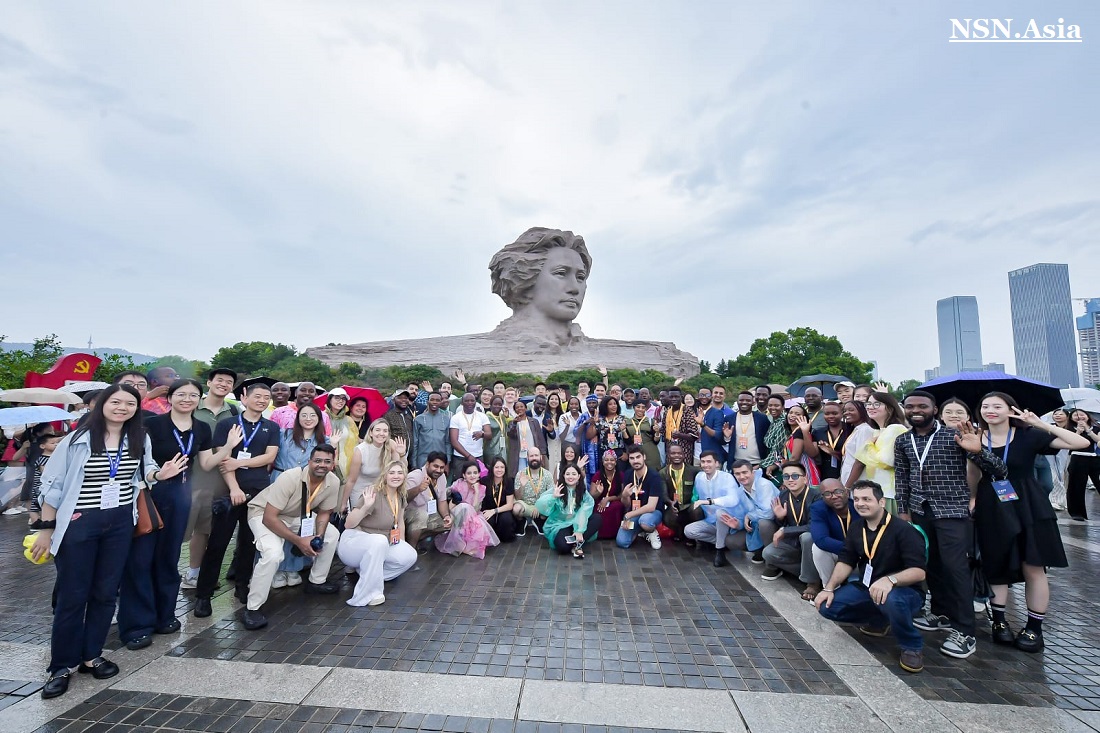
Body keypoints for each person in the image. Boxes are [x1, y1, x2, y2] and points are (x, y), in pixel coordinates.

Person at [30, 384, 185, 699]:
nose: (122, 407)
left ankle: (91, 655)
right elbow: (53, 485)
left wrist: (160, 474)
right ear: (101, 405)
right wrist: (46, 530)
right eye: (116, 401)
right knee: (73, 596)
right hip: (79, 522)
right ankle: (61, 666)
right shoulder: (76, 439)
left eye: (130, 403)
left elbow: (144, 472)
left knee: (104, 593)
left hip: (118, 523)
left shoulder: (139, 438)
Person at [118, 379, 239, 650]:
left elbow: (206, 462)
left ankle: (164, 615)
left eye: (193, 395)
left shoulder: (201, 428)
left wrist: (229, 446)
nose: (187, 399)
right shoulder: (151, 425)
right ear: (169, 398)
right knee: (140, 560)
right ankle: (136, 625)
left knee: (169, 558)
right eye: (181, 394)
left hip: (181, 495)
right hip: (150, 494)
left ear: (199, 399)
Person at [969, 392, 1087, 653]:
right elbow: (974, 473)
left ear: (1010, 409)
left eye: (997, 406)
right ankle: (999, 622)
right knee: (995, 563)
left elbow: (1079, 443)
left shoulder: (1029, 435)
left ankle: (1034, 628)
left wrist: (1041, 424)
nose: (990, 410)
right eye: (985, 406)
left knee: (1034, 565)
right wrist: (973, 497)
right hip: (992, 504)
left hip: (1028, 504)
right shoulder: (976, 437)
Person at [895, 390, 1002, 660]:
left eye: (922, 406)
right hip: (920, 510)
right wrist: (904, 511)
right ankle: (941, 613)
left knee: (956, 568)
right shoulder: (903, 440)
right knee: (932, 564)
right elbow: (902, 476)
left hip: (951, 510)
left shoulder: (954, 434)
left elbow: (999, 470)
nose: (916, 410)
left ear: (935, 409)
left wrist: (977, 452)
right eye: (910, 406)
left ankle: (965, 631)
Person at [815, 480, 928, 674]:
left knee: (891, 600)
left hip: (904, 591)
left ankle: (912, 645)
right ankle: (880, 620)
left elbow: (919, 572)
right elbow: (846, 560)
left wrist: (890, 580)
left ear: (881, 502)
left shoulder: (904, 530)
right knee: (828, 607)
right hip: (868, 586)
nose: (860, 504)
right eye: (857, 499)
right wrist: (829, 588)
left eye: (867, 499)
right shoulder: (857, 527)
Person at [193, 383, 280, 619]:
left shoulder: (271, 426)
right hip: (227, 491)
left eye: (266, 397)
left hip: (260, 491)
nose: (262, 400)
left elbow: (269, 457)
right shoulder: (227, 425)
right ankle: (203, 594)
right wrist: (233, 488)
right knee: (218, 542)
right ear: (244, 397)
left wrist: (239, 463)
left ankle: (242, 584)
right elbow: (224, 459)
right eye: (257, 396)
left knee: (249, 542)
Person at [243, 445, 341, 629]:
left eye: (327, 462)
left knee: (332, 534)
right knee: (273, 554)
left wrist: (317, 537)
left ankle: (317, 581)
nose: (322, 465)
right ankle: (252, 608)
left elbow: (324, 513)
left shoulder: (333, 482)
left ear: (333, 464)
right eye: (318, 460)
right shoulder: (291, 477)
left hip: (297, 515)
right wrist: (299, 541)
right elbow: (269, 518)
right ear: (309, 462)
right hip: (263, 513)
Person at [181, 368, 240, 590]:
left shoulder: (233, 412)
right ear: (209, 382)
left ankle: (201, 573)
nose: (223, 384)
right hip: (193, 475)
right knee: (191, 527)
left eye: (228, 382)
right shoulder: (193, 407)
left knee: (209, 528)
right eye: (219, 380)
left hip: (222, 476)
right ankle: (187, 572)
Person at [338, 461, 419, 607]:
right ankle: (368, 594)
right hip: (354, 541)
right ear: (385, 475)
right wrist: (365, 507)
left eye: (400, 473)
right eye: (392, 472)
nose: (396, 476)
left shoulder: (400, 496)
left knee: (409, 555)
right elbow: (348, 524)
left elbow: (399, 521)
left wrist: (400, 544)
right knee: (379, 541)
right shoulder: (373, 493)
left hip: (381, 543)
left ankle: (369, 575)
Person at [761, 461, 822, 600]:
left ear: (805, 478)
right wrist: (780, 518)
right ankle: (806, 571)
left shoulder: (816, 496)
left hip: (812, 543)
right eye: (786, 476)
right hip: (792, 543)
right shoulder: (783, 495)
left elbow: (815, 526)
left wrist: (785, 530)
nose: (790, 480)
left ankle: (813, 582)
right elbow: (781, 523)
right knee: (768, 553)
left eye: (795, 476)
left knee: (807, 536)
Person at [853, 393, 909, 514]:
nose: (870, 407)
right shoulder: (878, 432)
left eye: (876, 404)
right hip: (876, 493)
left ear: (890, 408)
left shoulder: (895, 429)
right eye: (868, 404)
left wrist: (868, 446)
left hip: (890, 494)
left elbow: (886, 461)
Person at [683, 451, 740, 566]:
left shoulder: (727, 477)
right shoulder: (699, 477)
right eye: (703, 462)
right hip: (710, 521)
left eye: (709, 461)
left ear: (717, 464)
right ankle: (724, 542)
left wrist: (711, 501)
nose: (705, 465)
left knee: (720, 513)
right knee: (689, 531)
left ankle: (720, 551)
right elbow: (696, 497)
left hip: (729, 521)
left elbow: (734, 499)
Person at [435, 461, 502, 558]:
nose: (472, 476)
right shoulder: (458, 484)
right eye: (469, 473)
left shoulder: (481, 488)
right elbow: (450, 504)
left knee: (474, 516)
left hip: (473, 515)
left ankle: (467, 545)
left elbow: (475, 509)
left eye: (475, 473)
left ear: (479, 474)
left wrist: (477, 492)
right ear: (464, 475)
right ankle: (459, 544)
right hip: (457, 515)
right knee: (464, 507)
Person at [534, 463, 601, 558]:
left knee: (597, 518)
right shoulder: (557, 489)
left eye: (574, 474)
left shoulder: (583, 492)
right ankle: (575, 542)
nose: (571, 477)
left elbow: (585, 511)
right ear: (563, 476)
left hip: (578, 523)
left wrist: (579, 530)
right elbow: (541, 506)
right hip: (560, 525)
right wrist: (553, 497)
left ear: (578, 476)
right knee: (562, 548)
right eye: (568, 474)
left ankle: (577, 543)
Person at [343, 418, 408, 510]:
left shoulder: (391, 445)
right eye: (378, 430)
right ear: (371, 433)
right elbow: (351, 480)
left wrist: (402, 455)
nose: (381, 433)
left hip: (381, 489)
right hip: (361, 491)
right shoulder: (361, 450)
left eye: (385, 431)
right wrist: (344, 503)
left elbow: (401, 470)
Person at [722, 459, 778, 563]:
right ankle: (760, 551)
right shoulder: (739, 492)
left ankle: (773, 562)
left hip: (775, 524)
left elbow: (769, 513)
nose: (742, 477)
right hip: (755, 527)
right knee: (731, 541)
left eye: (745, 472)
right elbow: (742, 517)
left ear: (752, 472)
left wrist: (749, 516)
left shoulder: (764, 485)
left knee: (764, 523)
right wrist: (738, 524)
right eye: (737, 474)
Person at [809, 479, 855, 596]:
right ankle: (831, 589)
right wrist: (851, 550)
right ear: (822, 496)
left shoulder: (857, 507)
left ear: (846, 492)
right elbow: (821, 540)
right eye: (828, 494)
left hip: (863, 556)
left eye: (838, 491)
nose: (834, 496)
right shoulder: (818, 508)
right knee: (817, 549)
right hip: (842, 552)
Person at [615, 444, 665, 549]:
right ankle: (640, 531)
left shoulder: (654, 476)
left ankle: (651, 531)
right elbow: (627, 504)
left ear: (644, 457)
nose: (635, 461)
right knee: (622, 542)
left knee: (645, 521)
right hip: (635, 513)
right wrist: (624, 496)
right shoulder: (628, 474)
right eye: (632, 458)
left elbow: (651, 506)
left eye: (638, 457)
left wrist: (628, 515)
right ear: (628, 460)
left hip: (652, 513)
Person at [403, 452, 451, 548]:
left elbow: (442, 501)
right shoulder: (415, 476)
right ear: (428, 464)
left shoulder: (442, 477)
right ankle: (411, 549)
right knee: (421, 516)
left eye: (442, 467)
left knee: (449, 523)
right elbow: (403, 499)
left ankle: (416, 537)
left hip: (430, 513)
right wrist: (418, 489)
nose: (438, 470)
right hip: (410, 514)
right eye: (435, 466)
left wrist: (446, 516)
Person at [271, 404, 327, 481]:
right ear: (298, 418)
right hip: (279, 479)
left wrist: (333, 445)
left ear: (319, 418)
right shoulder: (283, 434)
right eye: (304, 415)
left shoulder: (325, 440)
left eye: (313, 415)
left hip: (304, 482)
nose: (308, 419)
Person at [659, 443, 699, 542]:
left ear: (683, 455)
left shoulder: (693, 471)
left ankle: (692, 536)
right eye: (673, 453)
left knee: (697, 511)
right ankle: (679, 532)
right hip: (673, 505)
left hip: (689, 505)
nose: (676, 456)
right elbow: (663, 494)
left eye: (679, 453)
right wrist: (670, 503)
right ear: (668, 455)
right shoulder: (663, 472)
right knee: (668, 518)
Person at [722, 391, 770, 471]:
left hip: (757, 463)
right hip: (736, 463)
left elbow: (767, 439)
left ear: (753, 402)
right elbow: (722, 441)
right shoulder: (729, 418)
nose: (744, 402)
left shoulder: (762, 418)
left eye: (748, 400)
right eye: (741, 400)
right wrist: (727, 437)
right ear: (737, 401)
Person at [1066, 408, 1100, 520]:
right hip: (1077, 457)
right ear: (1071, 418)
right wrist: (1078, 432)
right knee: (1076, 486)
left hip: (1094, 458)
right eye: (1075, 415)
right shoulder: (1069, 428)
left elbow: (1097, 440)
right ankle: (1077, 513)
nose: (1079, 417)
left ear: (1087, 416)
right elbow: (1071, 442)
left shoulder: (1096, 428)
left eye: (1082, 414)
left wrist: (1088, 430)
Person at [804, 402, 848, 481]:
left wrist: (832, 452)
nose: (831, 416)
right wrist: (805, 432)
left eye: (835, 413)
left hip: (847, 474)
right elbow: (812, 453)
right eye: (827, 414)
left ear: (842, 414)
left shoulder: (850, 430)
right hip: (825, 474)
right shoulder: (818, 432)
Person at [657, 387, 698, 465]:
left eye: (676, 397)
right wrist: (657, 428)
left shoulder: (688, 411)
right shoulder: (667, 411)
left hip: (684, 451)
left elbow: (694, 436)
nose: (673, 399)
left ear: (681, 397)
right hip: (670, 450)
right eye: (671, 397)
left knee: (684, 473)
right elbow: (663, 431)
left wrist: (680, 435)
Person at [512, 447, 554, 522]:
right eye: (531, 456)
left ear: (540, 457)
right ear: (527, 458)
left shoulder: (548, 475)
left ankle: (540, 521)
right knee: (516, 509)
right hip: (526, 505)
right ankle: (522, 522)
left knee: (552, 507)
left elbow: (551, 497)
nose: (534, 458)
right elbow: (518, 498)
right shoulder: (521, 474)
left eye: (536, 455)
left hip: (542, 506)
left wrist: (539, 507)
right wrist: (522, 486)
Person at [480, 456, 517, 542]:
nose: (499, 470)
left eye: (502, 467)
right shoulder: (484, 481)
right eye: (496, 467)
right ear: (492, 468)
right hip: (488, 510)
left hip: (503, 510)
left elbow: (509, 505)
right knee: (488, 520)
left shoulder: (509, 481)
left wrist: (494, 511)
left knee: (506, 520)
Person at [322, 388, 354, 479]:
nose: (341, 401)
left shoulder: (348, 420)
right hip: (326, 460)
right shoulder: (322, 417)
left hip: (344, 463)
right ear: (330, 399)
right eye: (337, 398)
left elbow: (353, 441)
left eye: (343, 399)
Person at [507, 399, 546, 475]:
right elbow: (511, 435)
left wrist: (542, 454)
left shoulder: (533, 421)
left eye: (521, 406)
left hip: (533, 453)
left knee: (534, 474)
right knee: (521, 475)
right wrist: (514, 424)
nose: (519, 408)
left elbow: (540, 438)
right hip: (520, 454)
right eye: (517, 407)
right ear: (515, 410)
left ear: (525, 408)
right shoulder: (512, 422)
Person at [413, 391, 451, 468]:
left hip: (441, 461)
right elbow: (415, 443)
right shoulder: (418, 419)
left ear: (440, 402)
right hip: (423, 460)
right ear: (427, 402)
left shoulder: (446, 419)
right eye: (432, 400)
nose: (435, 402)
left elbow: (448, 442)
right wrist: (414, 463)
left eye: (437, 400)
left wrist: (448, 462)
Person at [841, 400, 873, 488]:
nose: (846, 413)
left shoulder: (865, 430)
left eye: (851, 410)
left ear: (862, 411)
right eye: (844, 411)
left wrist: (848, 486)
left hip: (857, 482)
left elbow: (860, 462)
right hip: (850, 479)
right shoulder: (857, 430)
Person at [624, 399, 661, 472]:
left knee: (652, 473)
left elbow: (656, 441)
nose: (640, 409)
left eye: (643, 407)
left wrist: (657, 432)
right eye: (638, 407)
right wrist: (623, 431)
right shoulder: (627, 422)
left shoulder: (651, 421)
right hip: (634, 451)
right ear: (634, 408)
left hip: (650, 451)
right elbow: (627, 441)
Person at [759, 396, 789, 480]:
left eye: (776, 405)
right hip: (771, 461)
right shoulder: (774, 421)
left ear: (783, 407)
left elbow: (777, 450)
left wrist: (760, 465)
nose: (773, 408)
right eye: (770, 405)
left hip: (778, 465)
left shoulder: (783, 422)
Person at [383, 390, 416, 466]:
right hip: (394, 456)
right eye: (400, 398)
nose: (403, 400)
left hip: (409, 458)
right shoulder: (388, 416)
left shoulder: (409, 416)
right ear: (394, 400)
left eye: (406, 398)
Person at [482, 395, 508, 466]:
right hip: (491, 450)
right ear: (490, 405)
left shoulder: (502, 417)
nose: (497, 406)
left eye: (499, 404)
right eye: (495, 404)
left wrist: (507, 417)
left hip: (503, 449)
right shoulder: (486, 418)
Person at [543, 392, 564, 477]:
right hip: (549, 442)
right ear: (548, 401)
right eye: (552, 399)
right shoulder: (544, 415)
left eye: (556, 399)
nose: (554, 401)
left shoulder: (562, 415)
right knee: (550, 466)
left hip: (560, 444)